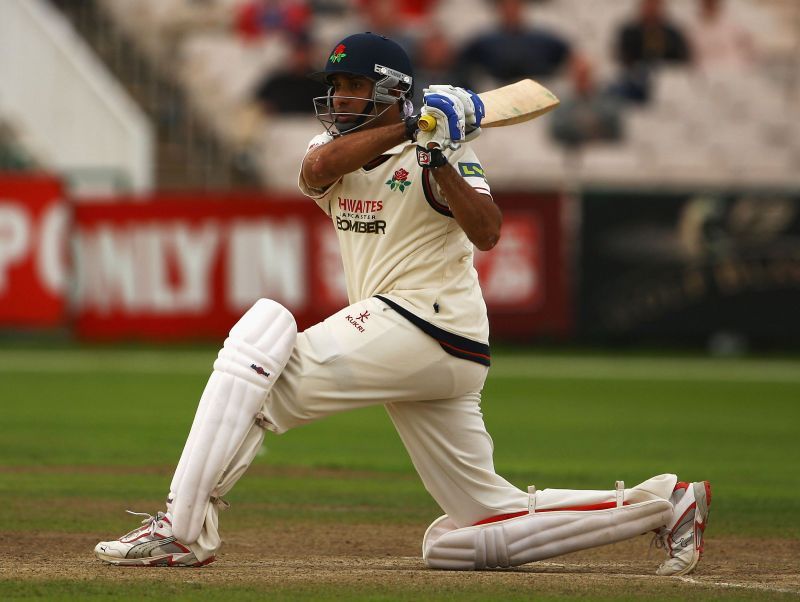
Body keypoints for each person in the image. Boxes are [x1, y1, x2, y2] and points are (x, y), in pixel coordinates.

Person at [93, 32, 711, 576]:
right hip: (423, 345)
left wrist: (438, 154)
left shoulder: (444, 153)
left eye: (353, 86)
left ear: (388, 89)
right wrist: (410, 125)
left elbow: (488, 230)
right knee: (472, 525)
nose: (337, 99)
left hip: (427, 324)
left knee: (262, 371)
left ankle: (180, 529)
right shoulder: (335, 150)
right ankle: (664, 503)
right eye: (333, 86)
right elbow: (317, 168)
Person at [456, 0, 572, 91]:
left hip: (536, 91)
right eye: (507, 7)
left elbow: (569, 54)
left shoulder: (542, 38)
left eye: (515, 7)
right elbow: (462, 62)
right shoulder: (486, 41)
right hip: (497, 91)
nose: (511, 11)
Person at [550, 55, 624, 148]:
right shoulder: (561, 104)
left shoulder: (608, 100)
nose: (582, 80)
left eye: (586, 75)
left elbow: (616, 128)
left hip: (603, 152)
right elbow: (556, 131)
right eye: (579, 76)